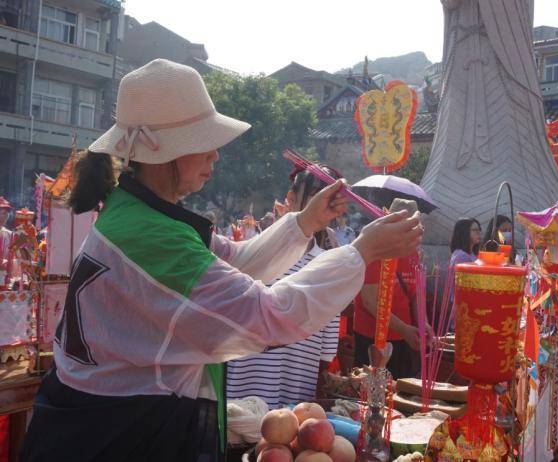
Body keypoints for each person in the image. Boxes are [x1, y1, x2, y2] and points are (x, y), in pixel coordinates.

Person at [20, 59, 423, 462]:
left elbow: (237, 264)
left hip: (112, 424)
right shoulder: (150, 236)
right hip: (119, 434)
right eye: (201, 141)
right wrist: (361, 253)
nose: (215, 154)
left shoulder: (142, 215)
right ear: (163, 153)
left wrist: (305, 222)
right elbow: (269, 316)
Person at [226, 166, 344, 408]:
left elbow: (325, 357)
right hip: (239, 403)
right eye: (317, 197)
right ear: (290, 197)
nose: (325, 206)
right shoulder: (253, 254)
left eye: (332, 200)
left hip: (293, 410)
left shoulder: (332, 268)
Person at [353, 199, 427, 379]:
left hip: (403, 338)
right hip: (372, 338)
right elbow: (371, 302)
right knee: (369, 391)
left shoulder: (412, 251)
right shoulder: (375, 248)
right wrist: (405, 329)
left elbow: (415, 291)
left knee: (400, 393)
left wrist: (422, 322)